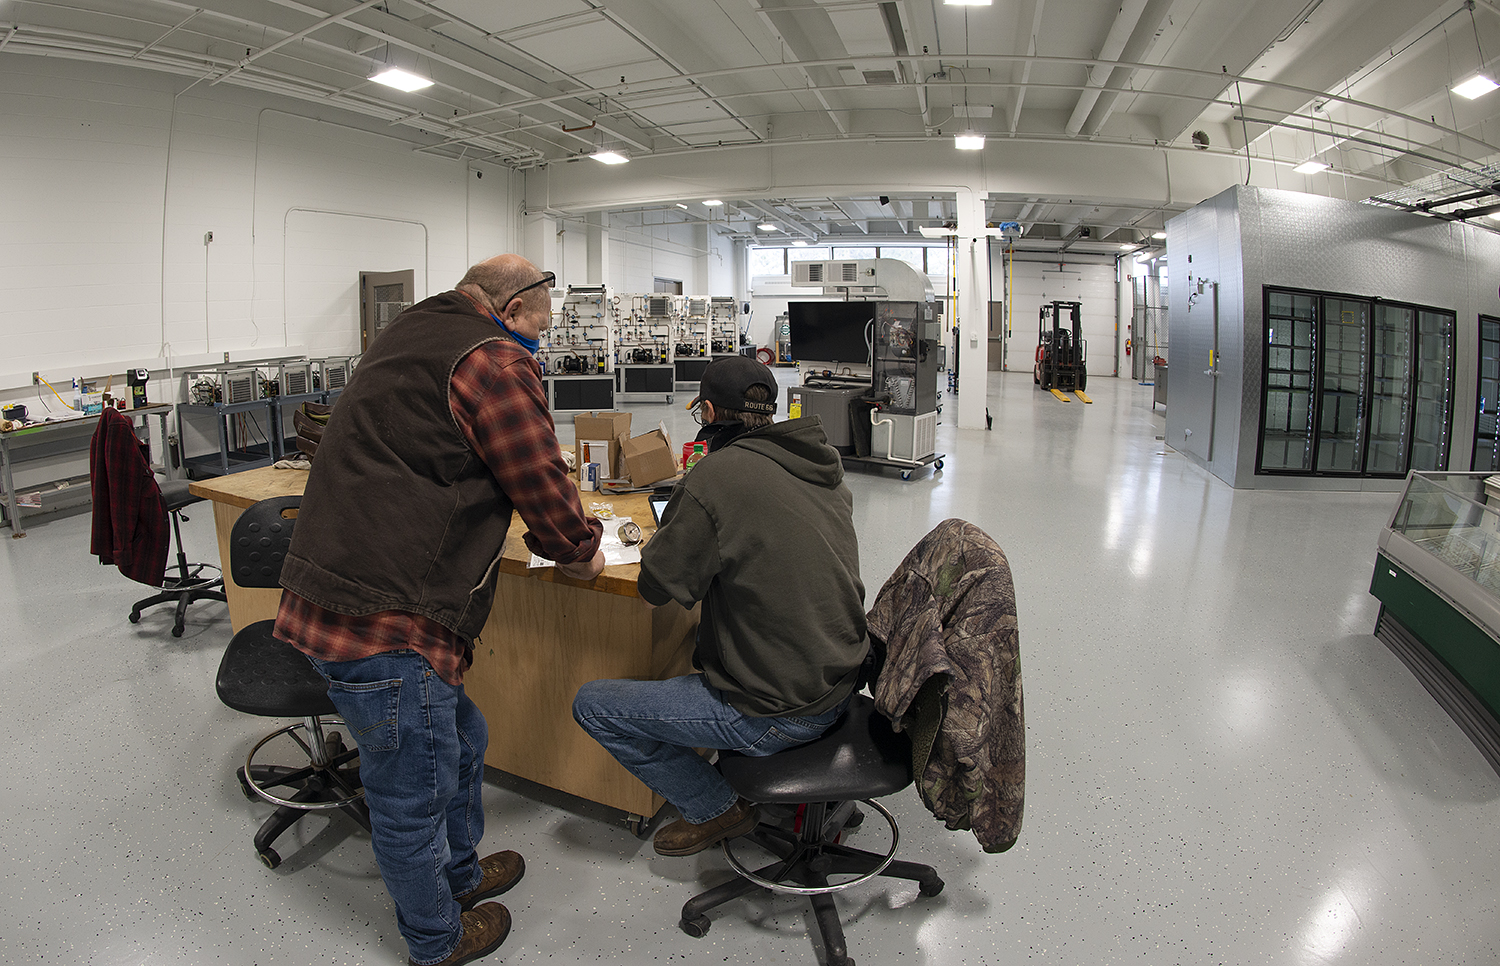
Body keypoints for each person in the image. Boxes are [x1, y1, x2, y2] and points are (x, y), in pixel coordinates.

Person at [274, 254, 605, 966]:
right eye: (538, 330)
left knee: (464, 741)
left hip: (330, 588)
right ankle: (436, 939)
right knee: (410, 795)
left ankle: (456, 876)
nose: (537, 344)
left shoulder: (407, 330)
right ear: (512, 310)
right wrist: (581, 549)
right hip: (388, 616)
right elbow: (539, 480)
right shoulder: (494, 360)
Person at [572, 356, 869, 856]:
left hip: (779, 709)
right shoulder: (817, 464)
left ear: (708, 412)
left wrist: (678, 528)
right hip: (840, 676)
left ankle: (718, 807)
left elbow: (653, 590)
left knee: (594, 706)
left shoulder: (718, 477)